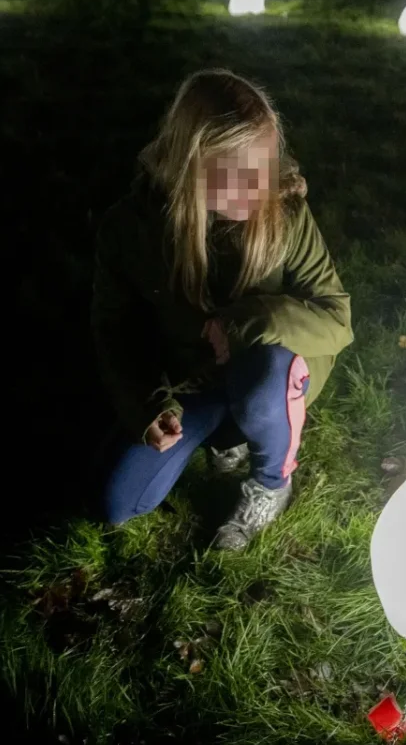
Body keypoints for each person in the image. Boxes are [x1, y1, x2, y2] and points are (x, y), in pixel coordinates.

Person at [91, 70, 353, 548]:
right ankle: (223, 437)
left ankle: (272, 481)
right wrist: (146, 405)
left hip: (264, 372)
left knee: (264, 378)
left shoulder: (285, 213)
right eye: (238, 172)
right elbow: (114, 329)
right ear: (192, 164)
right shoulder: (132, 229)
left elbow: (336, 318)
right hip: (189, 377)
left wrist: (248, 321)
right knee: (119, 502)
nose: (259, 188)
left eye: (265, 167)